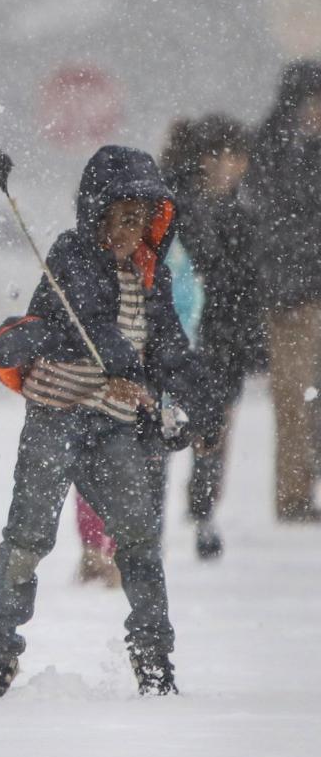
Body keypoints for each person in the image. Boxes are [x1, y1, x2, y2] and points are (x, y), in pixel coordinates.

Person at [0, 122, 220, 699]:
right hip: (57, 416)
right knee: (27, 539)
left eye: (142, 218)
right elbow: (90, 321)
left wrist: (199, 404)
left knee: (139, 542)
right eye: (122, 216)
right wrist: (125, 368)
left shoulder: (151, 276)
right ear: (96, 212)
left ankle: (155, 663)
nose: (132, 231)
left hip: (114, 429)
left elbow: (171, 347)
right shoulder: (69, 255)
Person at [161, 115, 264, 554]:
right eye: (217, 154)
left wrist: (251, 343)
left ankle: (202, 511)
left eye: (235, 155)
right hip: (183, 334)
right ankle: (164, 515)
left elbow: (249, 287)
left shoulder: (243, 215)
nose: (227, 165)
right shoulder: (176, 209)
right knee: (164, 427)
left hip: (223, 337)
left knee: (214, 428)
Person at [248, 61, 321, 521]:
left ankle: (300, 490)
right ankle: (293, 495)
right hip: (290, 299)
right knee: (294, 400)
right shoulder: (271, 152)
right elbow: (270, 227)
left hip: (296, 289)